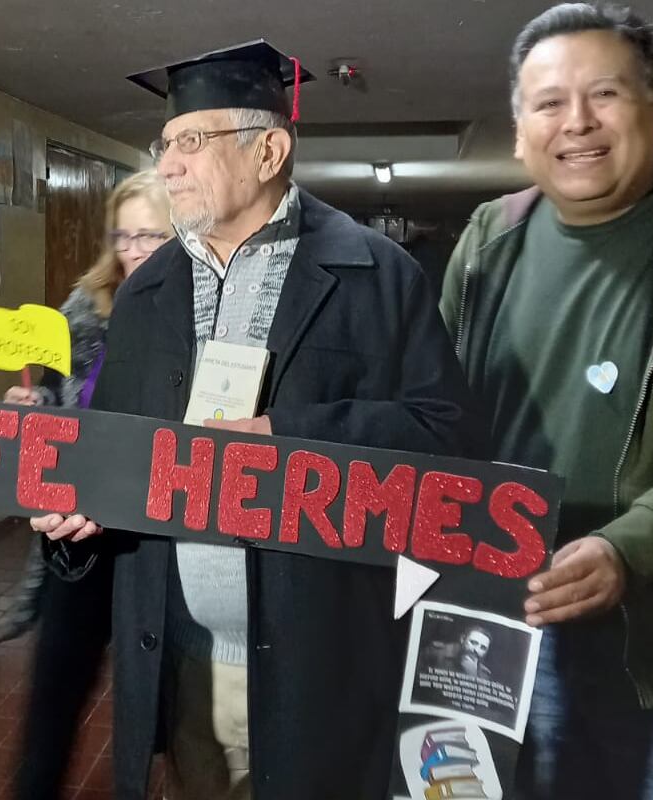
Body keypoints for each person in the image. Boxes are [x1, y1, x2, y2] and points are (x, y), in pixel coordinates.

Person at [33, 41, 482, 800]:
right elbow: (114, 456)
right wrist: (80, 514)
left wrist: (289, 441)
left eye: (192, 141)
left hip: (322, 669)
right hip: (185, 663)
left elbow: (446, 441)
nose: (168, 163)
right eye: (165, 143)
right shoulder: (145, 296)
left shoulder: (378, 277)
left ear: (270, 148)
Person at [439, 5, 653, 798]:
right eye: (549, 103)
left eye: (606, 95)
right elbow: (437, 412)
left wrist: (630, 547)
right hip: (515, 634)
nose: (577, 123)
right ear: (520, 131)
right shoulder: (487, 240)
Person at [1, 170, 172, 800]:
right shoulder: (80, 308)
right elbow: (50, 398)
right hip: (79, 534)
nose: (133, 249)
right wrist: (30, 404)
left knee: (160, 701)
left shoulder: (192, 312)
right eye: (123, 235)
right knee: (53, 693)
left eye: (151, 236)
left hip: (156, 537)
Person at [428, 625, 493, 680]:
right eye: (473, 643)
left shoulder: (484, 674)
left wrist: (472, 675)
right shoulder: (436, 653)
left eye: (483, 648)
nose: (476, 650)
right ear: (462, 639)